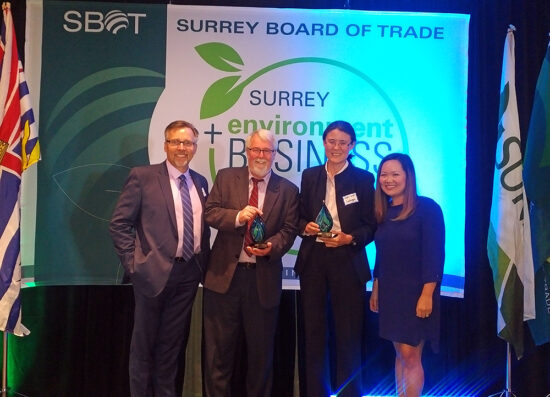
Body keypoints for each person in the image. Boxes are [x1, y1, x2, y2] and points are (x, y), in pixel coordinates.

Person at [110, 120, 210, 397]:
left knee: (171, 347)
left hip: (189, 275)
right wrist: (134, 264)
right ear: (165, 145)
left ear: (195, 147)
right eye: (176, 142)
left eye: (187, 143)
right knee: (143, 348)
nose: (182, 148)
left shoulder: (200, 182)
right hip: (151, 275)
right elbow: (119, 224)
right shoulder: (142, 176)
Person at [202, 128, 299, 397]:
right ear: (246, 151)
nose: (261, 155)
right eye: (256, 149)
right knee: (218, 356)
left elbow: (290, 229)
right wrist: (237, 216)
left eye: (267, 150)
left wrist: (271, 247)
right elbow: (210, 213)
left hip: (263, 281)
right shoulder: (226, 177)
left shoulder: (288, 190)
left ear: (275, 154)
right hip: (224, 281)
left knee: (260, 358)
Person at [295, 120, 376, 397]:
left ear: (352, 146)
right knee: (314, 333)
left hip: (347, 259)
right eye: (332, 141)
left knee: (349, 335)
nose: (337, 147)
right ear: (324, 142)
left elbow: (371, 226)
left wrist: (350, 238)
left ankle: (350, 394)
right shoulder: (309, 176)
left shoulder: (364, 180)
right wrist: (304, 226)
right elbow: (298, 216)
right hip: (314, 260)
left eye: (343, 142)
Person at [369, 153, 445, 397]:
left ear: (408, 176)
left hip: (417, 294)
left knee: (411, 356)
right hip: (391, 294)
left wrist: (427, 294)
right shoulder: (384, 212)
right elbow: (382, 255)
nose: (388, 179)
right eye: (383, 174)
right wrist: (377, 289)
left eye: (395, 174)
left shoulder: (428, 208)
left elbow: (434, 254)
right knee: (400, 354)